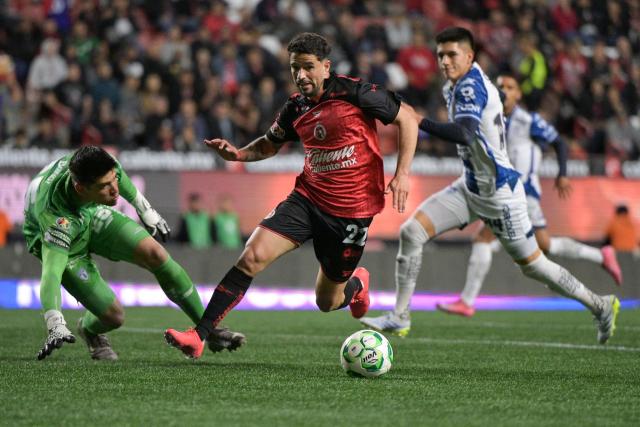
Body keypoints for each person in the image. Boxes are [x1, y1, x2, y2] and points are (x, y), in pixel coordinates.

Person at [164, 32, 418, 359]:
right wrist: (238, 155)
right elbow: (270, 144)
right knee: (251, 255)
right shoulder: (295, 108)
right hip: (307, 200)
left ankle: (357, 286)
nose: (301, 75)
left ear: (326, 67)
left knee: (327, 302)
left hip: (350, 214)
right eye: (295, 68)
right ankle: (199, 336)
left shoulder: (355, 93)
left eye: (308, 67)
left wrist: (402, 174)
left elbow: (407, 119)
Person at [359, 27, 619, 344]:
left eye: (452, 54)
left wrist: (417, 121)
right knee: (412, 232)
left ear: (470, 56)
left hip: (499, 194)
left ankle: (600, 305)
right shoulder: (454, 84)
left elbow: (465, 133)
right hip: (471, 187)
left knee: (536, 266)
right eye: (440, 55)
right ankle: (400, 316)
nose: (444, 61)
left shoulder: (469, 87)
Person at [24, 146, 245, 361]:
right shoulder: (56, 220)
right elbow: (51, 272)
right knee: (114, 317)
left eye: (114, 181)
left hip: (89, 211)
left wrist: (144, 208)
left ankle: (208, 329)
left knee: (155, 254)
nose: (114, 190)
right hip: (63, 233)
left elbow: (116, 170)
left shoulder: (95, 164)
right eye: (105, 186)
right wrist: (54, 322)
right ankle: (89, 330)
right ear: (81, 188)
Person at [435, 74, 622, 317]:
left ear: (518, 94)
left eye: (510, 87)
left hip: (522, 193)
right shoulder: (491, 117)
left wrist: (562, 174)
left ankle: (467, 301)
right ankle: (600, 254)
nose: (504, 90)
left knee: (483, 238)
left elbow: (560, 143)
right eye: (500, 86)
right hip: (508, 193)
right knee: (544, 244)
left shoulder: (528, 120)